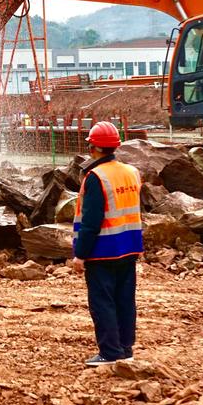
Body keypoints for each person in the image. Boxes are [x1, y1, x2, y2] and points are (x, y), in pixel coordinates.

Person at [72, 121, 144, 367]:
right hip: (130, 245)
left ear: (92, 147)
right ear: (116, 146)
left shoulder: (95, 177)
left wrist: (80, 254)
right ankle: (125, 348)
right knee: (125, 299)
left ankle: (109, 352)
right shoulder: (131, 172)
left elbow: (91, 221)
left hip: (103, 250)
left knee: (102, 302)